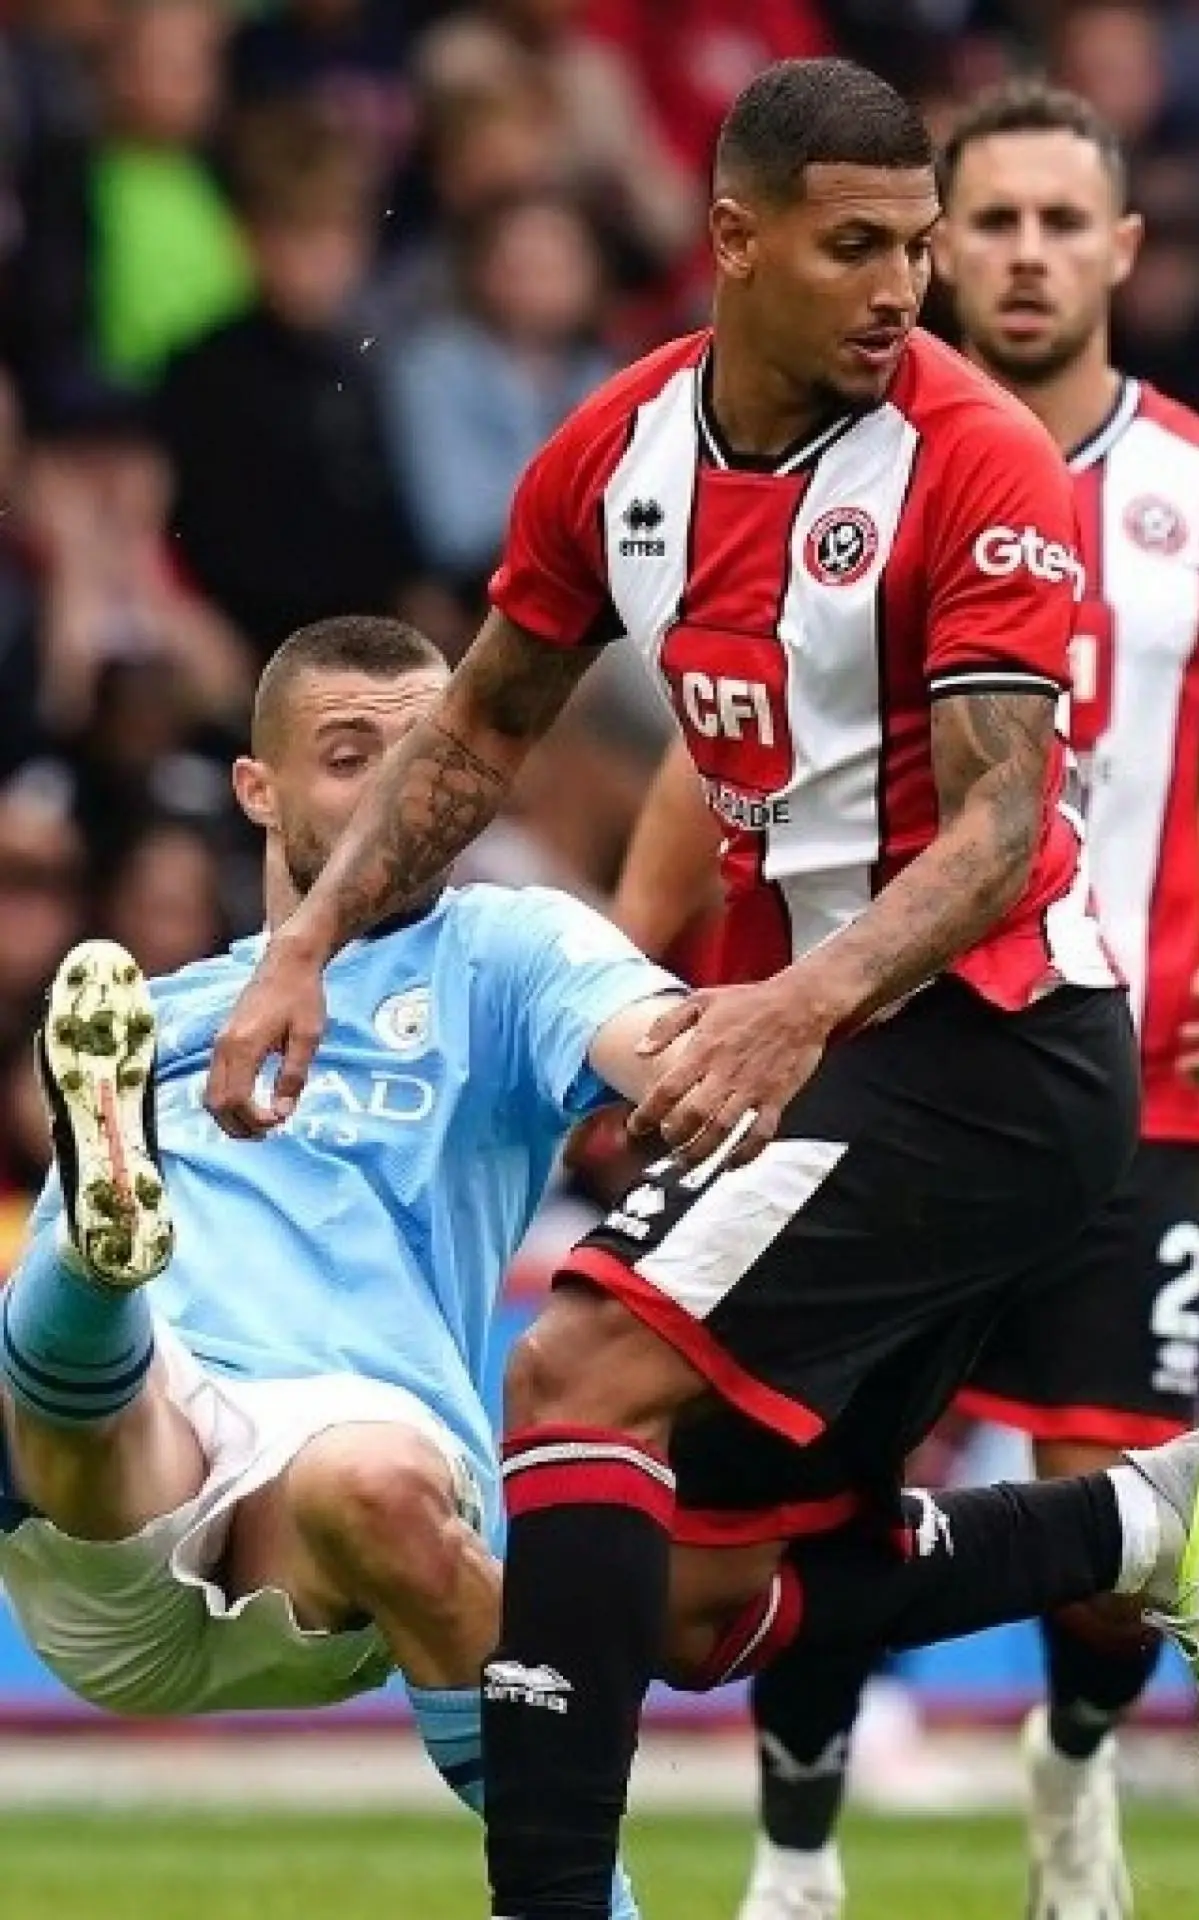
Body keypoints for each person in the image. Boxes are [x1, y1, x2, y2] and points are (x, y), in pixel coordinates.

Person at [200, 58, 1185, 1920]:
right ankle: (1144, 1520)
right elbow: (484, 724)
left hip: (990, 1040)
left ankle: (549, 1899)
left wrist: (790, 1006)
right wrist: (303, 951)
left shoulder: (970, 461)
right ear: (734, 243)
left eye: (918, 248)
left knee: (573, 1371)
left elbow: (1000, 828)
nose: (907, 289)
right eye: (857, 248)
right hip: (842, 1048)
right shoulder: (622, 450)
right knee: (671, 1596)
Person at [611, 80, 1199, 1920]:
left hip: (1128, 1074)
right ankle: (796, 1851)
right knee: (798, 1487)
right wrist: (630, 993)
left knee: (1103, 1536)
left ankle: (1076, 1762)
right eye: (991, 221)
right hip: (850, 1062)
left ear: (1118, 249)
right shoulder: (838, 461)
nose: (1017, 255)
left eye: (1053, 222)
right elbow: (710, 755)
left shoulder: (1185, 495)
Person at [0, 612, 715, 1920]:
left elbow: (650, 1038)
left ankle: (579, 1904)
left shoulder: (506, 953)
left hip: (336, 1489)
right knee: (100, 1382)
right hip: (120, 1489)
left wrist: (726, 1046)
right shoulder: (148, 1016)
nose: (398, 786)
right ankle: (107, 1267)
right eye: (347, 755)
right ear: (256, 791)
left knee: (376, 1478)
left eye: (426, 749)